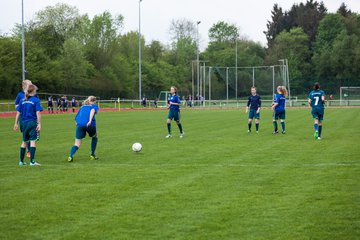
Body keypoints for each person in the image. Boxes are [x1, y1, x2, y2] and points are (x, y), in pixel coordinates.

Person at [13, 84, 42, 166]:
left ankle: (21, 162)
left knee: (24, 142)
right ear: (33, 91)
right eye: (35, 90)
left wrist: (16, 123)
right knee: (33, 141)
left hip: (24, 123)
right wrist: (39, 123)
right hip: (32, 123)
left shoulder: (22, 100)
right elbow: (38, 112)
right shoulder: (36, 100)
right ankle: (32, 162)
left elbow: (18, 112)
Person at [68, 96, 99, 162]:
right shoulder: (94, 106)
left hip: (80, 125)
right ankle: (92, 154)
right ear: (95, 101)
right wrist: (90, 121)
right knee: (95, 136)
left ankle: (70, 156)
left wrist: (77, 123)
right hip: (90, 125)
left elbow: (76, 117)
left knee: (77, 143)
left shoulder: (82, 107)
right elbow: (93, 111)